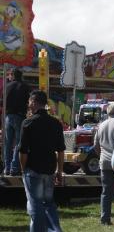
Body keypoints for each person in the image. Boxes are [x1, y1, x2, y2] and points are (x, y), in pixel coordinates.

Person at [19, 90, 65, 232]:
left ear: (33, 102)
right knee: (49, 204)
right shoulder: (56, 123)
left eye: (29, 102)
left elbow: (23, 151)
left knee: (36, 205)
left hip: (33, 169)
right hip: (50, 168)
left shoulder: (27, 123)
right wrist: (60, 171)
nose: (28, 105)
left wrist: (23, 169)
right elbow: (61, 150)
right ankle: (55, 229)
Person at [93, 103, 114, 225]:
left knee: (106, 192)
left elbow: (95, 146)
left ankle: (105, 218)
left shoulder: (101, 126)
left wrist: (101, 156)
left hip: (105, 162)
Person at [4, 67, 30, 176]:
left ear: (13, 75)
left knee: (8, 143)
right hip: (19, 116)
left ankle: (7, 167)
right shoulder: (24, 86)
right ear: (21, 76)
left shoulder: (7, 86)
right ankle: (14, 168)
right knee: (19, 143)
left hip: (8, 116)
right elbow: (28, 101)